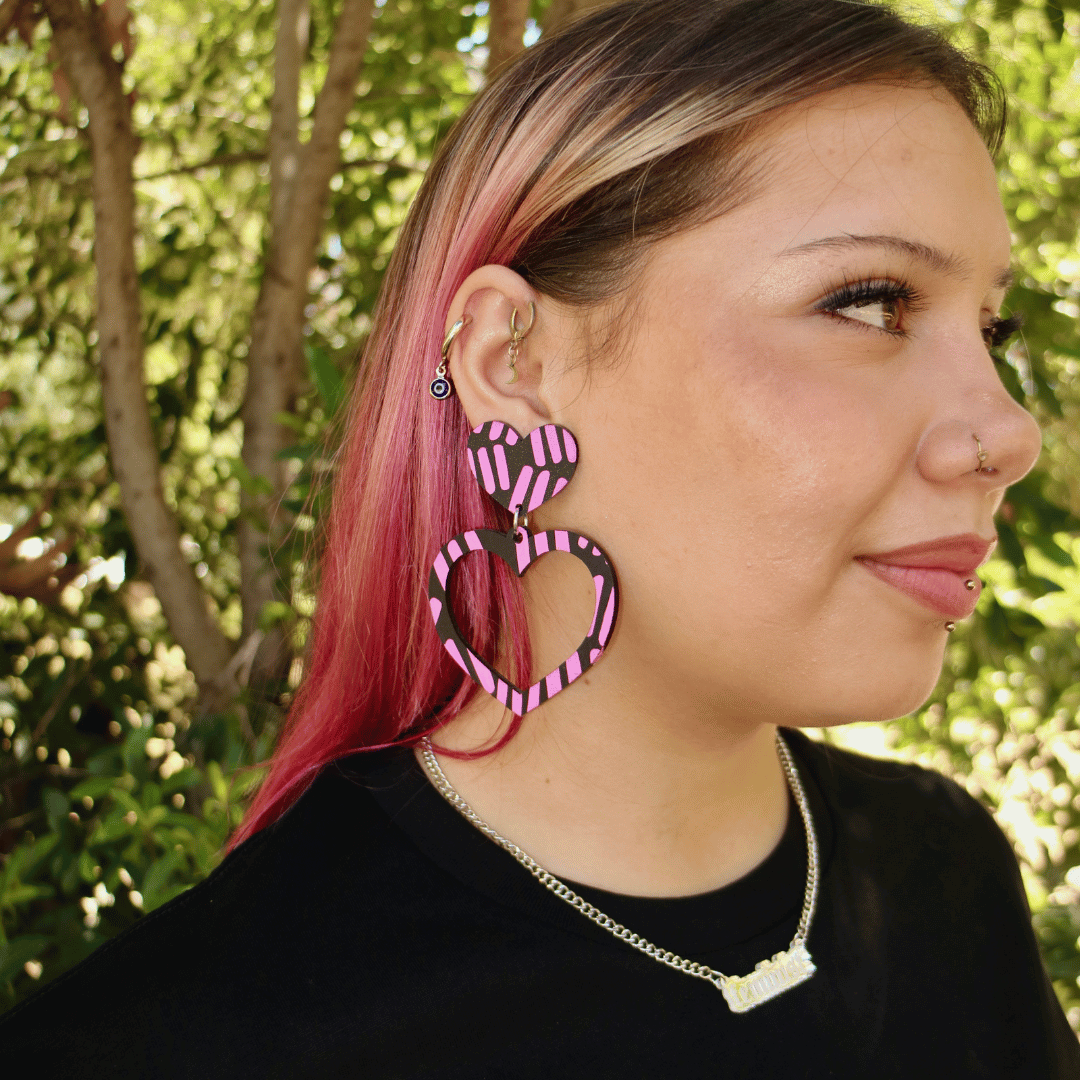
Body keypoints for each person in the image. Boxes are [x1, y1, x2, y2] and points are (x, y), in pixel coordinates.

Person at [3, 0, 1078, 1075]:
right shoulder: (178, 1038)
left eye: (991, 329)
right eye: (870, 302)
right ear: (512, 364)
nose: (1006, 433)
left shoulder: (947, 875)